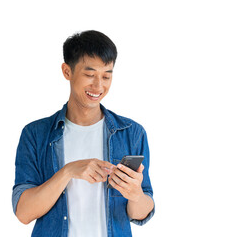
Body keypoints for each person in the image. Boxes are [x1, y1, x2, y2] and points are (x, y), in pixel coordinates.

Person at [12, 30, 155, 237]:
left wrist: (135, 194)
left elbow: (141, 213)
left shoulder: (132, 133)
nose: (98, 86)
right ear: (67, 71)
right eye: (89, 75)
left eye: (106, 76)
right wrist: (68, 171)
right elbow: (23, 213)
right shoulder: (35, 134)